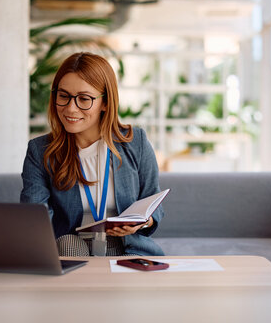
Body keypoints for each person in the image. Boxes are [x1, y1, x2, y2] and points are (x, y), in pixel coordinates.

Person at [20, 52, 164, 257]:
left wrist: (142, 222)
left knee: (118, 252)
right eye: (63, 96)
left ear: (105, 103)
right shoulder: (41, 150)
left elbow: (153, 201)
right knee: (69, 245)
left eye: (84, 99)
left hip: (124, 245)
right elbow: (34, 218)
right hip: (68, 245)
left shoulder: (135, 142)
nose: (71, 108)